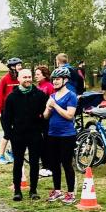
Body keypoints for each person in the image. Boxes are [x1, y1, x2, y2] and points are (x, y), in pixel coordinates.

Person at [2, 69, 48, 201]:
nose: (27, 79)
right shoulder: (12, 97)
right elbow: (6, 118)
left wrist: (43, 131)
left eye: (29, 77)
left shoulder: (40, 95)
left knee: (34, 163)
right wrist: (9, 134)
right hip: (18, 135)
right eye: (24, 77)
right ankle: (17, 191)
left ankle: (33, 190)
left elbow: (46, 115)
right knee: (18, 162)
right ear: (18, 79)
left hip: (35, 134)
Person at [43, 67, 78, 204]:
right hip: (52, 134)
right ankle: (57, 190)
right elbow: (46, 116)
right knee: (54, 164)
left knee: (66, 164)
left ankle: (71, 193)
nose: (55, 82)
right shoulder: (52, 96)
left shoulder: (71, 95)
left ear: (65, 80)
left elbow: (70, 115)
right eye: (54, 79)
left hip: (67, 135)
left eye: (58, 79)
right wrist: (48, 108)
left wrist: (55, 106)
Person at [0, 57, 23, 164]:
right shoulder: (5, 79)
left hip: (17, 111)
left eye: (20, 65)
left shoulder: (20, 79)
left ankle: (11, 152)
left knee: (17, 132)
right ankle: (0, 156)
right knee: (7, 134)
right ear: (12, 67)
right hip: (5, 111)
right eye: (18, 65)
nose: (20, 67)